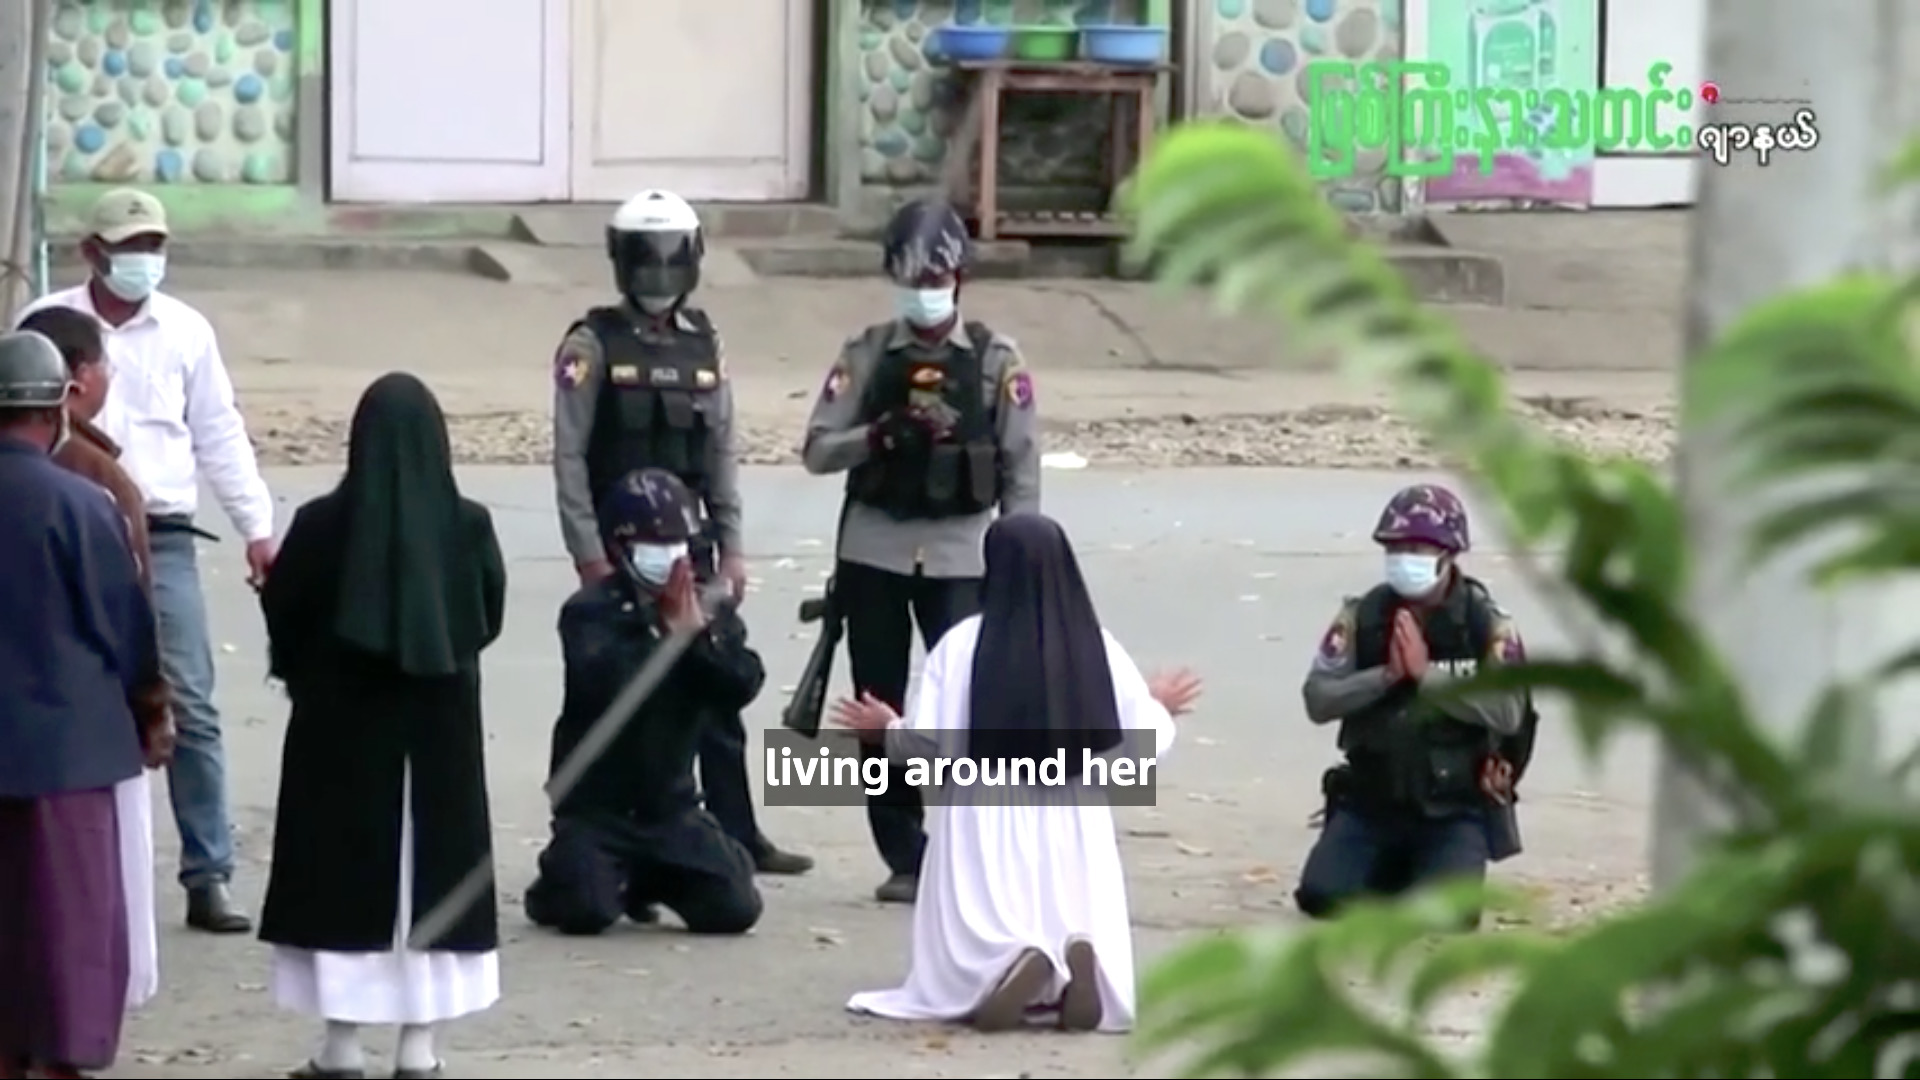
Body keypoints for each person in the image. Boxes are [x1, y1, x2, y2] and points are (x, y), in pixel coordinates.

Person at [14, 187, 276, 933]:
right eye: (130, 247)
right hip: (65, 524)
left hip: (161, 533)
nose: (143, 260)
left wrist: (257, 527)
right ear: (92, 252)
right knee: (61, 692)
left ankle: (208, 871)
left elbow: (218, 431)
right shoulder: (48, 324)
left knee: (189, 700)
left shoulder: (187, 331)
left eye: (154, 246)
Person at [830, 513, 1198, 1032]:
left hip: (981, 811)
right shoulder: (1096, 646)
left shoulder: (960, 646)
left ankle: (1001, 967)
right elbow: (1138, 747)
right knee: (1067, 897)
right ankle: (1072, 970)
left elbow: (928, 744)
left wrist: (886, 729)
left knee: (979, 912)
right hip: (1073, 813)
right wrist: (1158, 706)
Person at [550, 188, 809, 877]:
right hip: (620, 553)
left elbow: (721, 452)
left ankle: (737, 834)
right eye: (646, 256)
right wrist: (589, 556)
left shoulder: (704, 343)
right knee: (613, 688)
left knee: (716, 689)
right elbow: (570, 458)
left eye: (670, 257)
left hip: (690, 550)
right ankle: (610, 833)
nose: (658, 272)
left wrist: (733, 548)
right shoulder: (590, 345)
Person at [256, 374, 507, 1079]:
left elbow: (286, 617)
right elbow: (485, 618)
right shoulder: (468, 526)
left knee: (341, 888)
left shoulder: (319, 525)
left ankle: (340, 1049)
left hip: (339, 738)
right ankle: (418, 1049)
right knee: (429, 888)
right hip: (439, 742)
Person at [802, 198, 1043, 903]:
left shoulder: (996, 360)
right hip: (873, 551)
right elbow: (817, 449)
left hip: (961, 555)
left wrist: (1020, 564)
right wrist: (878, 436)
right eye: (911, 278)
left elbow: (1021, 470)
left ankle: (976, 844)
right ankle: (905, 855)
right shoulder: (866, 353)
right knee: (877, 707)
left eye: (935, 278)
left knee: (969, 701)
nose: (924, 291)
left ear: (959, 277)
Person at [0, 329, 159, 1078]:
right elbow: (126, 626)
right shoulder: (83, 503)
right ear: (57, 406)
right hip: (70, 753)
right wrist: (149, 712)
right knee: (69, 929)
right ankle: (61, 1059)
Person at [525, 469, 765, 938]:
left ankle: (650, 879)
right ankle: (560, 880)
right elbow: (605, 684)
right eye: (656, 545)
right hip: (599, 810)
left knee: (735, 909)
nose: (670, 557)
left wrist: (696, 640)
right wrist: (663, 637)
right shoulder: (591, 610)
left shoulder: (705, 607)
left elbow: (741, 683)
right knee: (585, 911)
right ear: (622, 548)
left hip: (669, 808)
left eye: (677, 544)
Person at [1293, 483, 1531, 922]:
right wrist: (1386, 677)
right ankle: (1391, 872)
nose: (1404, 559)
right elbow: (1318, 699)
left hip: (1453, 806)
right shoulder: (1363, 616)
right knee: (1322, 898)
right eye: (1395, 548)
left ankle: (1421, 873)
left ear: (1448, 554)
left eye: (1418, 549)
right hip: (1371, 800)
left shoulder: (1484, 623)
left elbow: (1510, 711)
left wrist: (1428, 677)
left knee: (1451, 918)